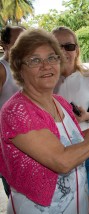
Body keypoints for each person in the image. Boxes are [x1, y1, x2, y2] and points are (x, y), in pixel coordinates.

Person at [0, 28, 89, 213]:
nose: (46, 65)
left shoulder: (60, 102)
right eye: (34, 60)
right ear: (19, 68)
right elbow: (62, 160)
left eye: (52, 58)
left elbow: (76, 141)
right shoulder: (17, 111)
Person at [52, 26, 89, 214]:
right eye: (58, 46)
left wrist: (88, 116)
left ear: (77, 50)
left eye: (69, 46)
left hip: (87, 147)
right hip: (57, 151)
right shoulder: (47, 80)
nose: (64, 51)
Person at [0, 25, 25, 198]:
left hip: (30, 140)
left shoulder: (25, 66)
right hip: (9, 144)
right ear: (5, 44)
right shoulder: (2, 69)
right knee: (16, 195)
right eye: (18, 42)